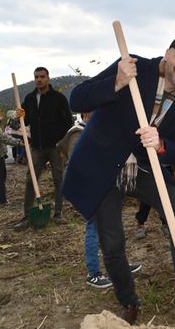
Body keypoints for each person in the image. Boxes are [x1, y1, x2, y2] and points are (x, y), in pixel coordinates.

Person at [62, 34, 175, 324]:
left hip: (142, 167)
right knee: (112, 241)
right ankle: (128, 301)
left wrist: (161, 145)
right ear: (167, 53)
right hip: (103, 164)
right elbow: (76, 99)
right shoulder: (133, 68)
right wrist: (116, 82)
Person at [56, 112, 142, 289]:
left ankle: (119, 265)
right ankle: (93, 273)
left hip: (106, 187)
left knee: (114, 228)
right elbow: (79, 165)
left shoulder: (98, 130)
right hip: (89, 189)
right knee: (93, 229)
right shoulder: (77, 133)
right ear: (86, 114)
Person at [13, 67, 73, 230]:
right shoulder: (30, 98)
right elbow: (23, 122)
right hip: (37, 147)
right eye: (36, 77)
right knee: (30, 181)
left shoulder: (58, 98)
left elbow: (69, 123)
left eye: (42, 76)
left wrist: (61, 142)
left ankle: (58, 213)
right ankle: (26, 216)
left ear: (48, 78)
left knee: (58, 180)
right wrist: (19, 116)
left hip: (55, 147)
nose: (39, 79)